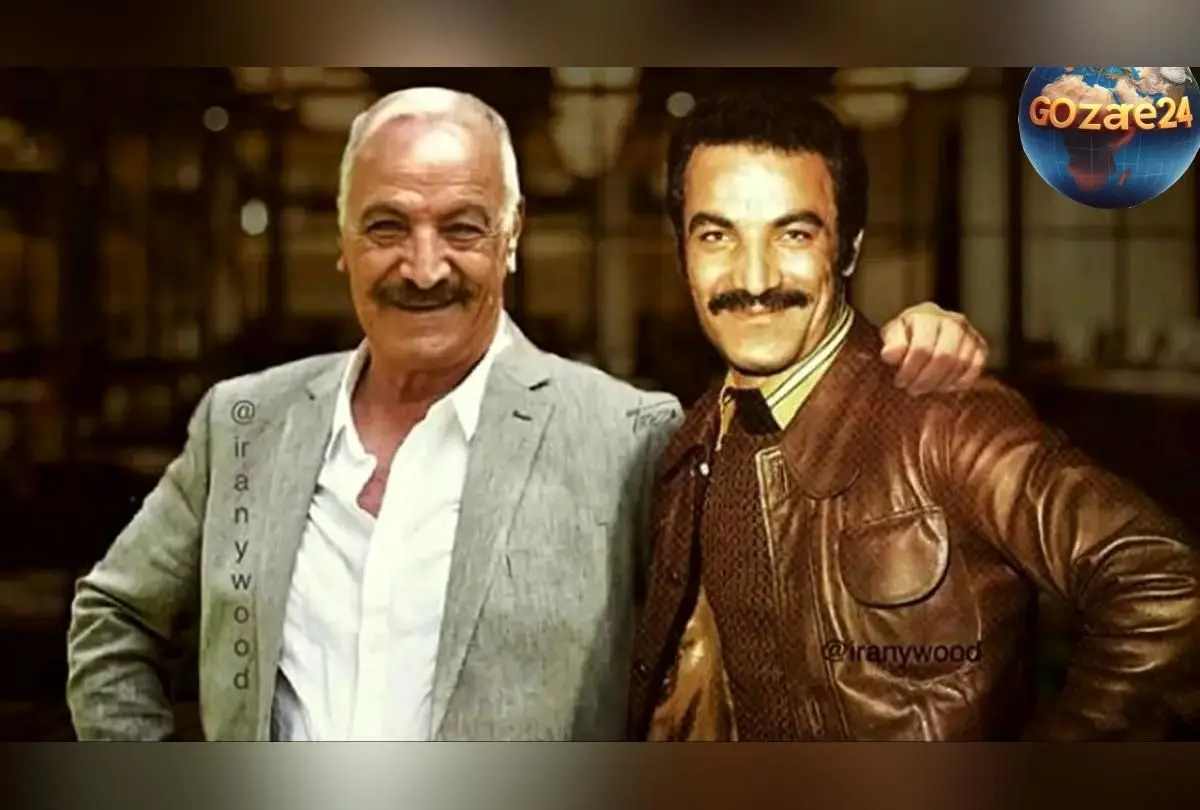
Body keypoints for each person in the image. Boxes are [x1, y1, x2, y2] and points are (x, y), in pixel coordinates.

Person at [66, 87, 988, 741]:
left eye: (463, 227)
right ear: (343, 243)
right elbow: (113, 616)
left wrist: (893, 357)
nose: (424, 266)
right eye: (386, 226)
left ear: (511, 240)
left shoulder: (628, 435)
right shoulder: (244, 422)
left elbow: (791, 593)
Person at [627, 90, 1200, 742]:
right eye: (716, 235)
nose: (754, 279)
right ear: (682, 253)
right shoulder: (693, 446)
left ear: (847, 250)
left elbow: (1171, 591)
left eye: (793, 234)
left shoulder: (941, 417)